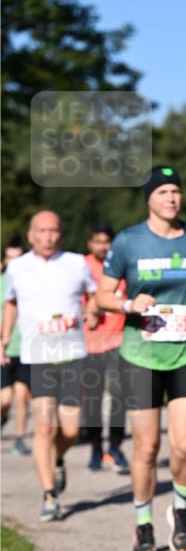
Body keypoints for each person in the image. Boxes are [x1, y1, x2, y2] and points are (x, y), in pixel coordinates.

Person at [96, 166, 186, 551]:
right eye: (163, 191)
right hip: (141, 354)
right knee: (147, 448)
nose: (171, 198)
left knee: (184, 444)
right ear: (149, 198)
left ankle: (180, 509)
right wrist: (129, 303)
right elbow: (102, 295)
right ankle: (143, 522)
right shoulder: (129, 241)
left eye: (175, 191)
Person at [1, 212, 98, 520]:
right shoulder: (17, 267)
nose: (47, 236)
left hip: (71, 352)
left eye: (53, 231)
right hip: (37, 355)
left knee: (69, 428)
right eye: (41, 231)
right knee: (43, 426)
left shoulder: (76, 263)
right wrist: (4, 337)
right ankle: (49, 495)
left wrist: (93, 312)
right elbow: (11, 303)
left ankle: (56, 459)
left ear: (60, 234)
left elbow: (93, 295)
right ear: (31, 235)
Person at [82, 223, 129, 473]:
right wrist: (86, 311)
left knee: (120, 398)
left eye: (106, 241)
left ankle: (115, 448)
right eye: (97, 241)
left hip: (119, 341)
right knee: (92, 400)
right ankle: (95, 450)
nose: (102, 246)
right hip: (90, 343)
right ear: (90, 244)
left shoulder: (120, 267)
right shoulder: (82, 266)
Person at [1, 234, 31, 455]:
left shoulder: (31, 281)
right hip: (4, 348)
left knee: (22, 396)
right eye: (9, 258)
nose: (13, 263)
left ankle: (20, 437)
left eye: (17, 258)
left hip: (28, 347)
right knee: (4, 399)